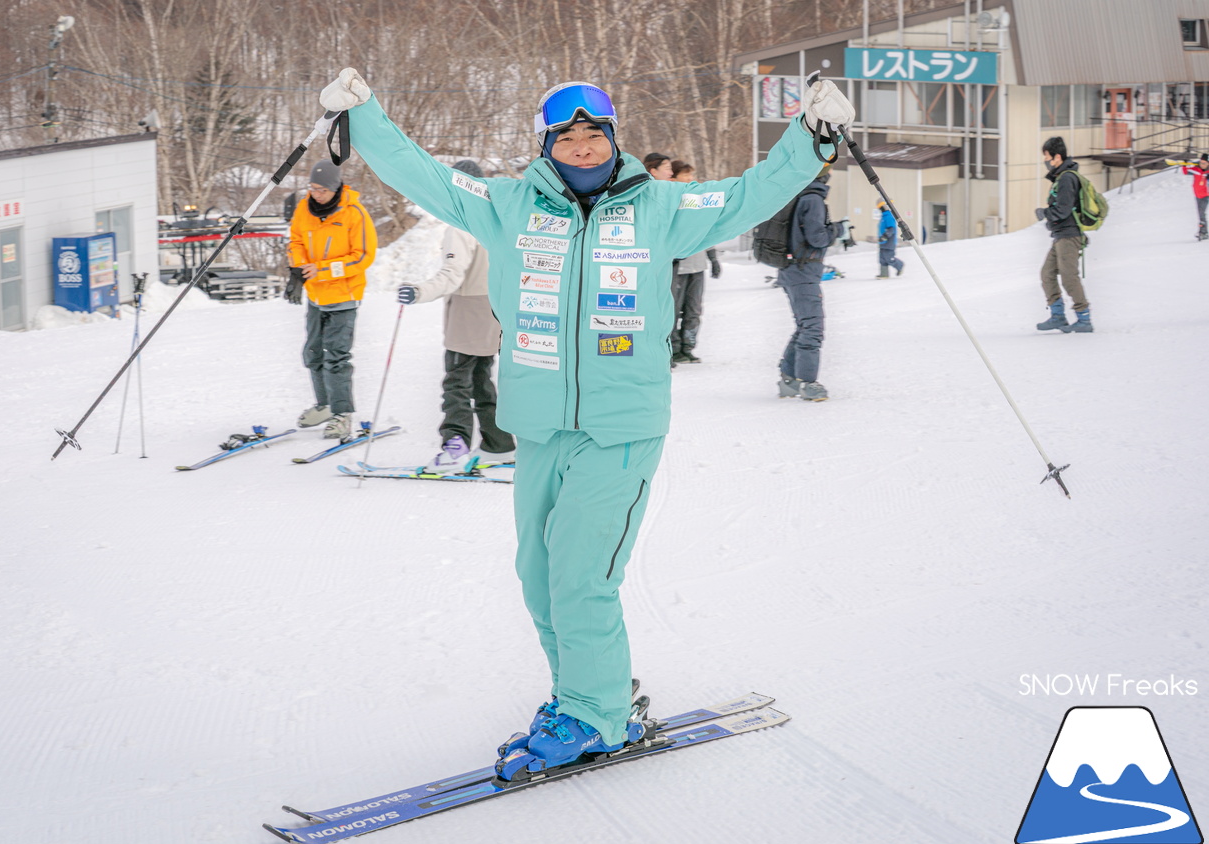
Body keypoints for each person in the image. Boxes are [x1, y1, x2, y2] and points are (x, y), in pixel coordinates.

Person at [317, 68, 853, 775]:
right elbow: (428, 177)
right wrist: (365, 120)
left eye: (592, 131)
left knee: (579, 574)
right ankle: (583, 693)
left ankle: (597, 716)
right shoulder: (508, 204)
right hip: (540, 424)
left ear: (611, 137)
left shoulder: (660, 206)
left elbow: (746, 193)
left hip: (621, 425)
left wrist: (810, 138)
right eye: (564, 133)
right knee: (538, 573)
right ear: (546, 142)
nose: (580, 143)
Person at [397, 160, 517, 472]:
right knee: (480, 381)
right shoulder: (496, 217)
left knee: (456, 383)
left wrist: (419, 291)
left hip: (468, 312)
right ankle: (499, 444)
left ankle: (455, 447)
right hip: (493, 309)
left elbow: (452, 274)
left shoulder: (462, 224)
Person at [288, 160, 378, 439]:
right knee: (313, 353)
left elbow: (362, 256)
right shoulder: (304, 208)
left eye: (322, 190)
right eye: (312, 188)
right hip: (315, 294)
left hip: (344, 297)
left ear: (335, 186)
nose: (316, 194)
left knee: (336, 357)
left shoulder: (354, 214)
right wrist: (297, 270)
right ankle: (325, 405)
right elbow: (296, 241)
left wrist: (324, 270)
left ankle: (342, 414)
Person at [776, 167, 839, 402]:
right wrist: (838, 229)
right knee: (813, 327)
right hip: (802, 271)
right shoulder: (813, 199)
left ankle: (789, 379)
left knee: (804, 325)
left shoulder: (797, 195)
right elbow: (818, 238)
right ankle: (808, 384)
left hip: (791, 270)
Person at [1034, 137, 1092, 333]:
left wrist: (1044, 213)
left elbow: (1063, 209)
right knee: (1047, 274)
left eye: (1047, 157)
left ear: (1057, 157)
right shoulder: (1061, 177)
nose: (1046, 161)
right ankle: (1058, 315)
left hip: (1069, 235)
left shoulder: (1067, 178)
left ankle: (1084, 318)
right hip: (1060, 235)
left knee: (1069, 278)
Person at [668, 160, 720, 364]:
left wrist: (713, 258)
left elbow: (706, 230)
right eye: (685, 175)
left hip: (697, 267)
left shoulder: (697, 200)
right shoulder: (670, 200)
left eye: (691, 175)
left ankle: (688, 347)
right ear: (674, 178)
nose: (690, 179)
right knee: (673, 310)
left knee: (694, 310)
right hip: (677, 267)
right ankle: (673, 348)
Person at [1180, 154, 1209, 240]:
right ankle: (1203, 231)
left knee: (1201, 213)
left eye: (1204, 163)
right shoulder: (1196, 170)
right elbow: (1186, 172)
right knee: (1200, 213)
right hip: (1198, 195)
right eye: (1201, 163)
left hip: (1206, 196)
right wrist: (1184, 165)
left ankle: (1203, 232)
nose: (1202, 165)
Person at [874, 199, 904, 278]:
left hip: (889, 242)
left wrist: (885, 236)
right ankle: (884, 274)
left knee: (889, 258)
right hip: (882, 242)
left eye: (881, 208)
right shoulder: (883, 217)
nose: (880, 210)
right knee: (882, 259)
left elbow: (891, 229)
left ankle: (900, 266)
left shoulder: (889, 216)